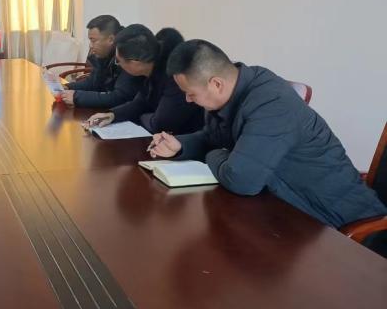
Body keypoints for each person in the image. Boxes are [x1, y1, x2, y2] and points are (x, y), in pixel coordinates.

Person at [147, 39, 387, 229]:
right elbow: (211, 137)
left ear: (216, 84)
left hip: (343, 225)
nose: (188, 100)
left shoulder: (272, 102)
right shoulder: (227, 96)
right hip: (288, 214)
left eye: (191, 93)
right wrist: (179, 146)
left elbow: (242, 180)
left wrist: (214, 154)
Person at [84, 25, 204, 134]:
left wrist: (140, 116)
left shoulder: (174, 78)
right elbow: (140, 103)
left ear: (135, 62)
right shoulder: (151, 70)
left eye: (118, 61)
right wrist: (112, 115)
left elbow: (159, 124)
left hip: (186, 142)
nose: (118, 65)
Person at [60, 15, 144, 108]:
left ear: (111, 39)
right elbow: (93, 82)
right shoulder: (103, 54)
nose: (90, 46)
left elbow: (119, 98)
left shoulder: (128, 56)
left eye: (93, 41)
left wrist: (76, 97)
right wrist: (68, 87)